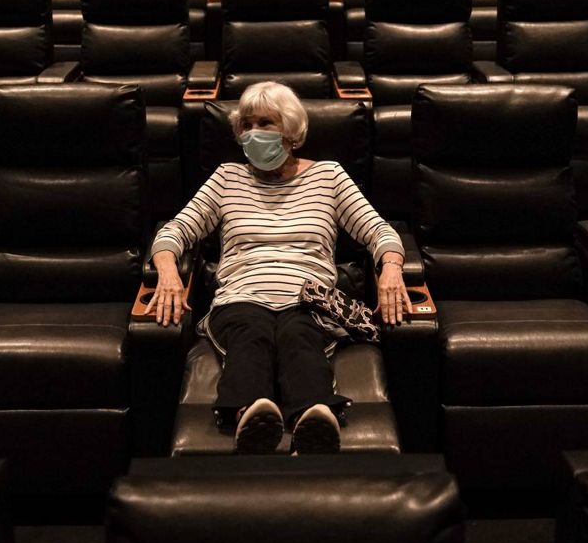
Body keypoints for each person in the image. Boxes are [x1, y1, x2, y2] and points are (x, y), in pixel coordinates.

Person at [146, 82, 410, 454]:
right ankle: (249, 417)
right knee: (251, 331)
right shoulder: (226, 178)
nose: (254, 132)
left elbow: (380, 232)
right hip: (240, 296)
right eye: (247, 124)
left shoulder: (329, 177)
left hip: (307, 299)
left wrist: (392, 270)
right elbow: (174, 231)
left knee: (297, 335)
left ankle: (316, 418)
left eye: (266, 123)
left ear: (291, 133)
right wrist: (169, 272)